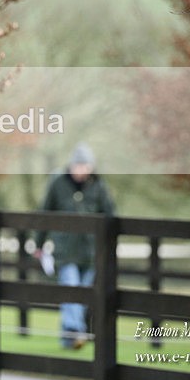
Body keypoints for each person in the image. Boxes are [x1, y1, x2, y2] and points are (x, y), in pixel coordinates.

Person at [36, 143, 115, 349]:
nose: (80, 170)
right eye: (77, 166)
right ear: (71, 166)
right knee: (71, 290)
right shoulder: (57, 182)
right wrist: (39, 243)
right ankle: (77, 332)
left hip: (91, 252)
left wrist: (109, 245)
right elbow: (45, 213)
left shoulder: (99, 185)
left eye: (85, 166)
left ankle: (67, 339)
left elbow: (110, 215)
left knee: (83, 295)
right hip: (65, 251)